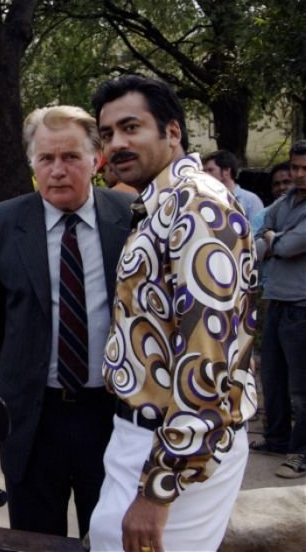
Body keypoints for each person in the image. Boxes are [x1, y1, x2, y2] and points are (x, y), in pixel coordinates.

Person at [89, 75, 258, 552]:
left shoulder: (199, 204)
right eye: (107, 134)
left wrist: (160, 488)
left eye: (130, 127)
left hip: (178, 452)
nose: (116, 143)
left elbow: (207, 355)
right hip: (140, 437)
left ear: (173, 132)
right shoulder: (159, 204)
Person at [0, 106, 134, 539]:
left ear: (96, 160)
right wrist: (0, 405)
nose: (58, 171)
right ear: (32, 163)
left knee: (108, 538)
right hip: (33, 419)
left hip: (110, 416)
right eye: (46, 159)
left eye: (71, 158)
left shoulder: (133, 217)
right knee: (34, 539)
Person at [251, 140, 306, 479]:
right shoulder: (286, 202)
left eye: (304, 169)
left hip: (302, 305)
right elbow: (254, 242)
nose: (299, 174)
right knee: (271, 377)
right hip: (277, 301)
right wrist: (274, 240)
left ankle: (301, 452)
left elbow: (289, 246)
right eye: (295, 167)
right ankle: (277, 439)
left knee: (302, 388)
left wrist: (274, 240)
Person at [203, 149, 264, 223]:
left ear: (226, 171)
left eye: (210, 170)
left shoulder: (250, 200)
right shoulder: (205, 199)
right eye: (204, 171)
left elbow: (258, 230)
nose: (205, 175)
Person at [251, 161, 293, 232]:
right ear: (271, 189)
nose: (281, 187)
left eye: (286, 182)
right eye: (276, 184)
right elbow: (254, 241)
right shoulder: (261, 216)